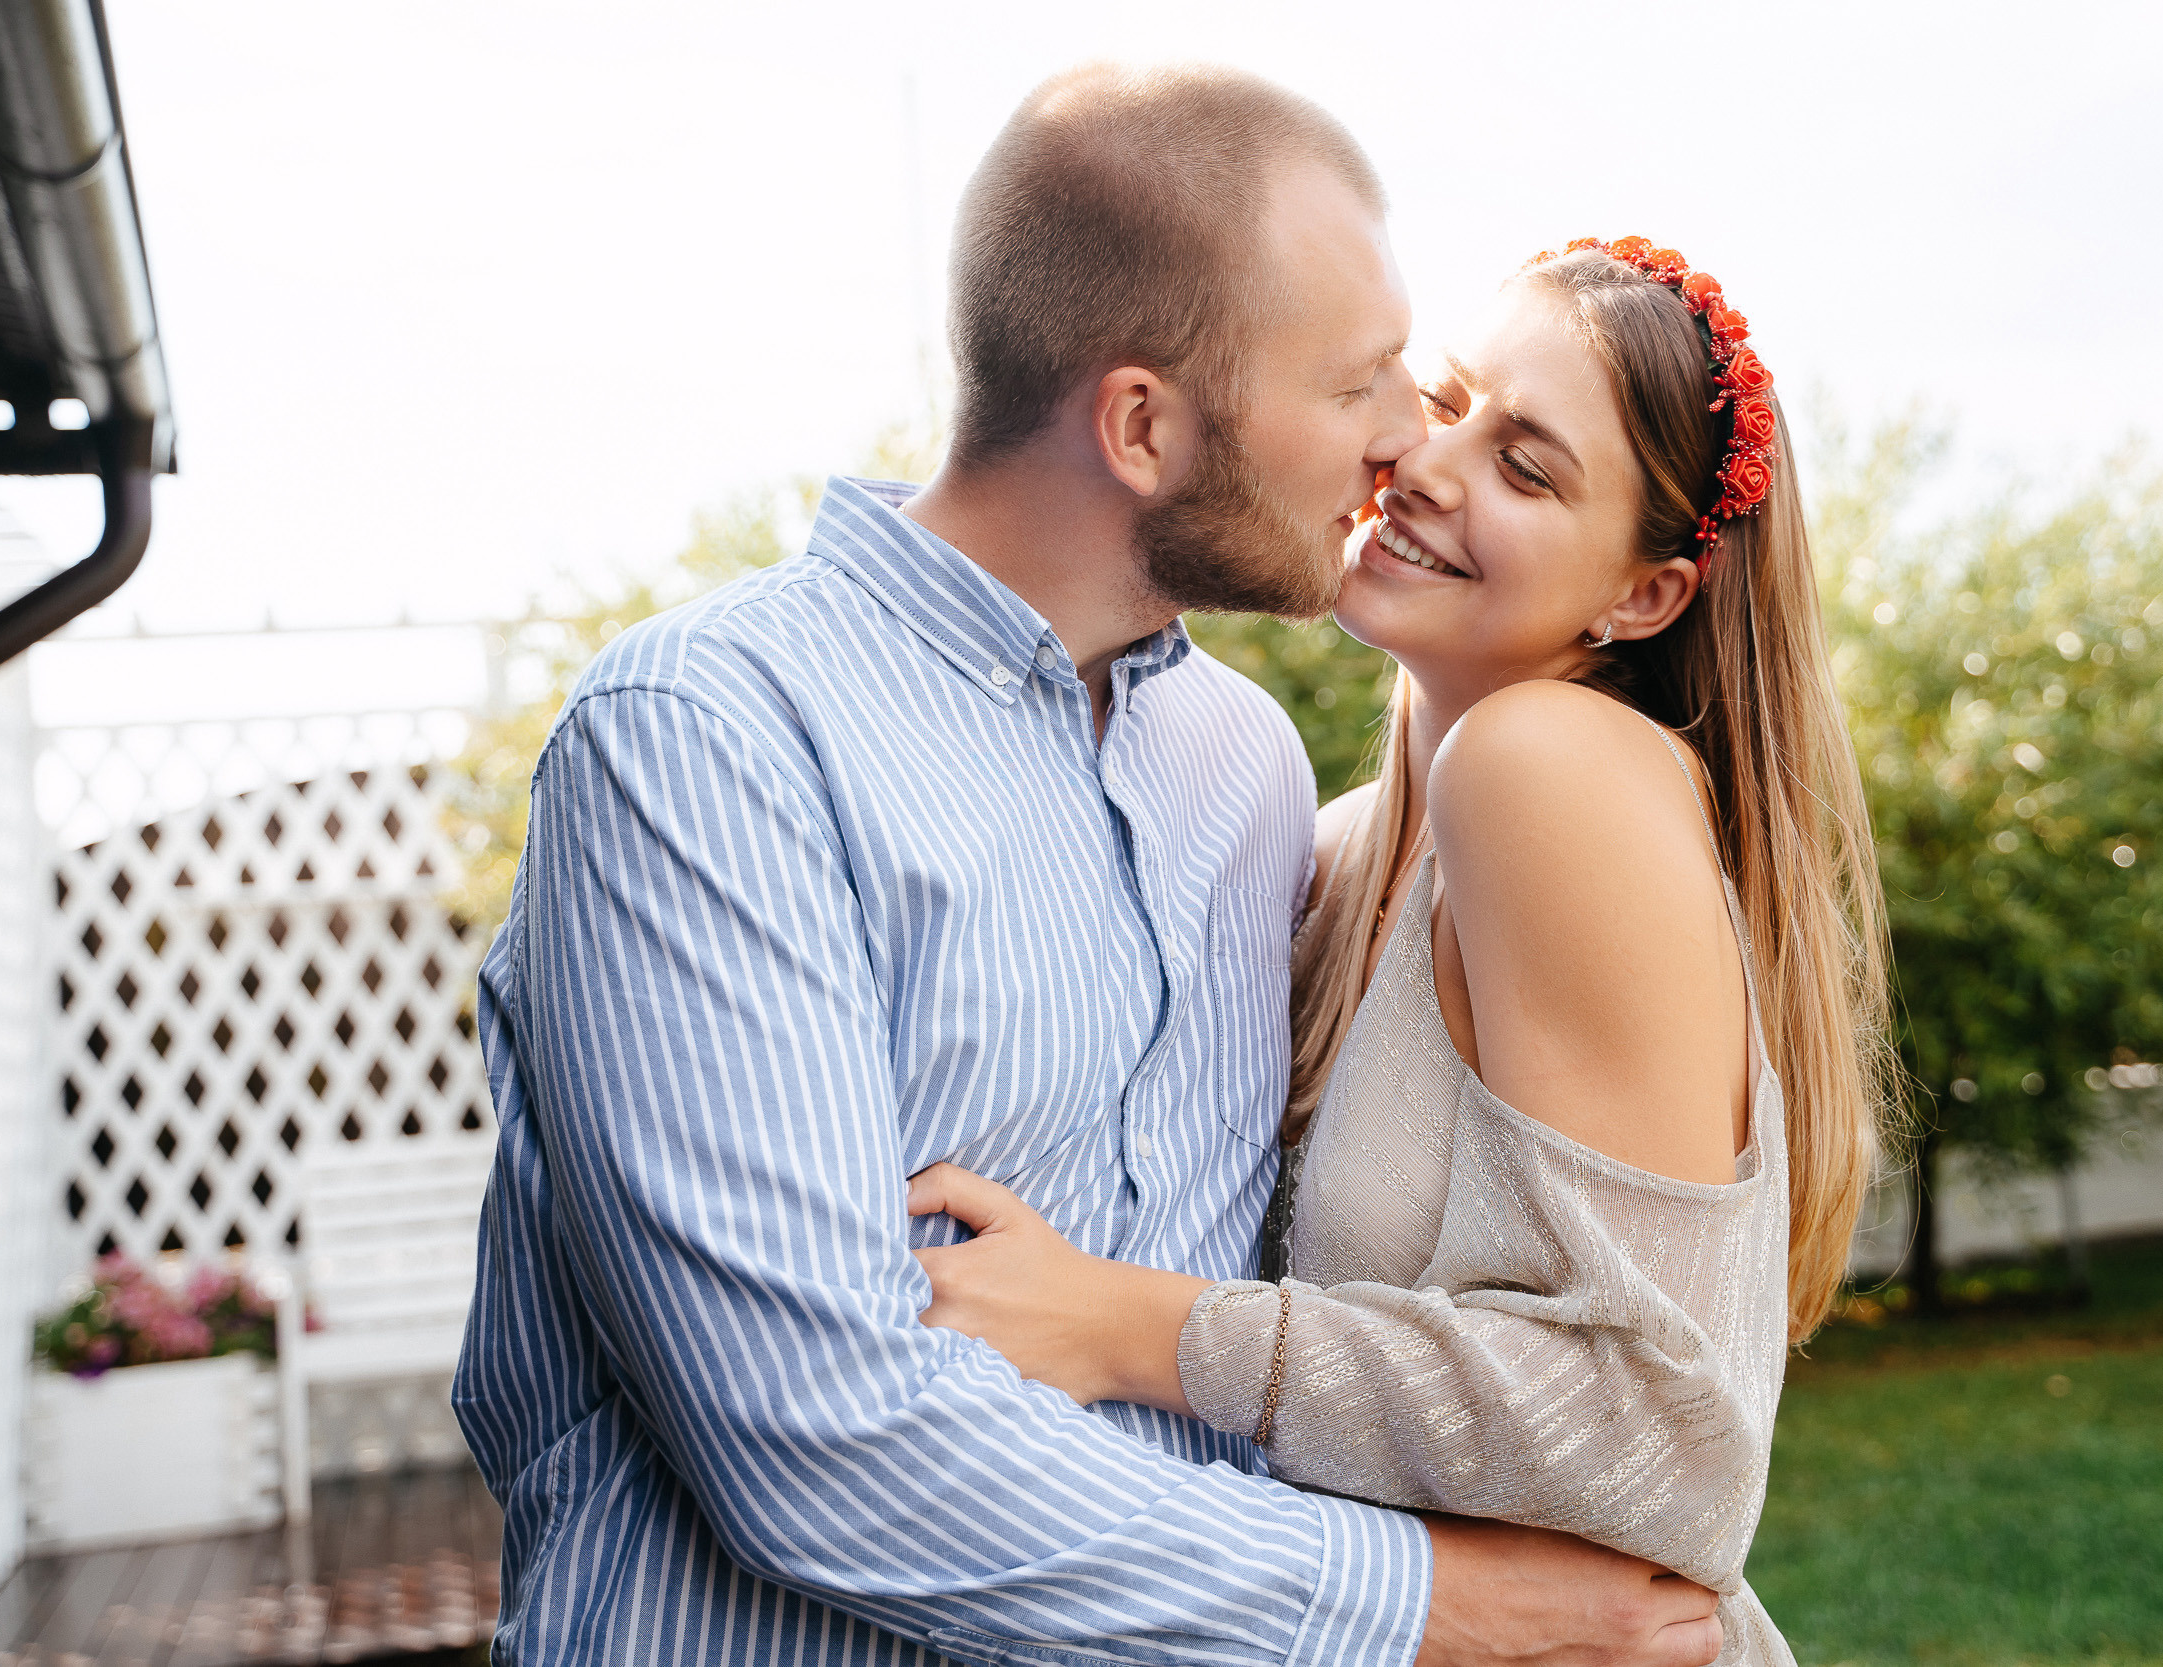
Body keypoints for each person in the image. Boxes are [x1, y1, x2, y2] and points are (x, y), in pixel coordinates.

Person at [454, 64, 1726, 1667]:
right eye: (1363, 383)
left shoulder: (1249, 770)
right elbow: (818, 1436)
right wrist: (1431, 1610)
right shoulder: (709, 739)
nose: (1409, 437)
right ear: (1142, 425)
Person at [908, 236, 1897, 1667]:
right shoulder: (1346, 841)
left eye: (1528, 466)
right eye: (1443, 402)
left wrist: (1132, 1330)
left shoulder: (1544, 764)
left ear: (1645, 599)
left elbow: (1654, 1428)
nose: (1433, 465)